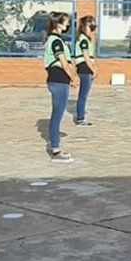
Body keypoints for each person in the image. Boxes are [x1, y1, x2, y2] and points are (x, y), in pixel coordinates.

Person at [44, 11, 79, 163]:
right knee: (57, 115)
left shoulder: (56, 39)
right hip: (58, 80)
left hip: (59, 81)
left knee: (58, 114)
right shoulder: (55, 41)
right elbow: (64, 63)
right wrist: (74, 77)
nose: (68, 25)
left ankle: (56, 146)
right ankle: (56, 151)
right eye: (66, 22)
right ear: (58, 23)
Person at [73, 15, 98, 127]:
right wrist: (93, 70)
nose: (92, 29)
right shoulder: (83, 40)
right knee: (83, 95)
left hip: (86, 67)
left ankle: (80, 116)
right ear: (84, 27)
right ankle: (80, 118)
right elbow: (86, 57)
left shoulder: (86, 39)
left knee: (84, 94)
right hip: (84, 68)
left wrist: (94, 67)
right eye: (90, 26)